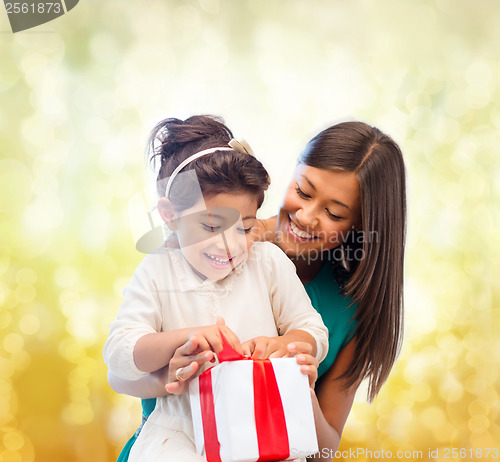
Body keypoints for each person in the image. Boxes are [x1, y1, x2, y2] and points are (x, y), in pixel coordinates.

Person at [109, 120, 406, 462]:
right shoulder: (191, 245)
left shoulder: (299, 282)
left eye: (334, 213)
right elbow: (119, 368)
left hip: (263, 444)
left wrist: (297, 378)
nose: (306, 216)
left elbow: (323, 450)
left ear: (361, 225)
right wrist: (174, 371)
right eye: (304, 191)